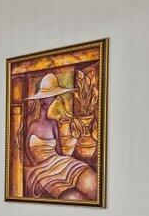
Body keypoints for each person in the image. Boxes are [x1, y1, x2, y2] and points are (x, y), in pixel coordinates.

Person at [22, 73, 99, 201]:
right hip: (41, 168)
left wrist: (64, 157)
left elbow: (59, 151)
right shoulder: (32, 125)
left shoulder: (54, 124)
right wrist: (36, 164)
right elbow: (26, 148)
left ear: (54, 99)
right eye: (43, 97)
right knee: (73, 197)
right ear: (39, 99)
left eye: (49, 97)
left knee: (91, 182)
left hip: (59, 161)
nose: (45, 101)